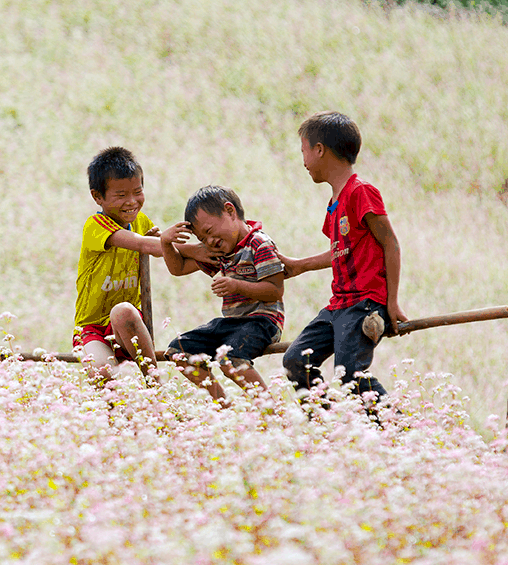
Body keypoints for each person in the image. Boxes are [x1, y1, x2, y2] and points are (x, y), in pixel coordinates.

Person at [280, 111, 407, 402]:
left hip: (364, 303)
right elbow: (340, 252)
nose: (303, 161)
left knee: (350, 374)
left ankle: (396, 430)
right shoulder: (334, 204)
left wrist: (391, 302)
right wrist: (298, 266)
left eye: (303, 150)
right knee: (296, 360)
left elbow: (391, 244)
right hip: (339, 304)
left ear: (319, 150)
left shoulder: (361, 192)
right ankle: (329, 429)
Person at [158, 186, 285, 404]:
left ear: (230, 211)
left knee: (230, 359)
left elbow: (275, 290)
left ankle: (272, 411)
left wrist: (237, 286)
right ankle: (222, 407)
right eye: (201, 238)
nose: (208, 241)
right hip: (233, 324)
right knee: (177, 350)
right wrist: (165, 243)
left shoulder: (258, 244)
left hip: (263, 321)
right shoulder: (224, 251)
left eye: (208, 231)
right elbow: (178, 268)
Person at [73, 147, 185, 382]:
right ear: (98, 197)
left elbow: (164, 250)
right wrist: (163, 241)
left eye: (137, 192)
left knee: (123, 311)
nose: (132, 202)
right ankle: (120, 416)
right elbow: (146, 245)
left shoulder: (140, 221)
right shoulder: (95, 225)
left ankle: (155, 387)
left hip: (126, 326)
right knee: (103, 372)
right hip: (92, 328)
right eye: (121, 195)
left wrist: (206, 253)